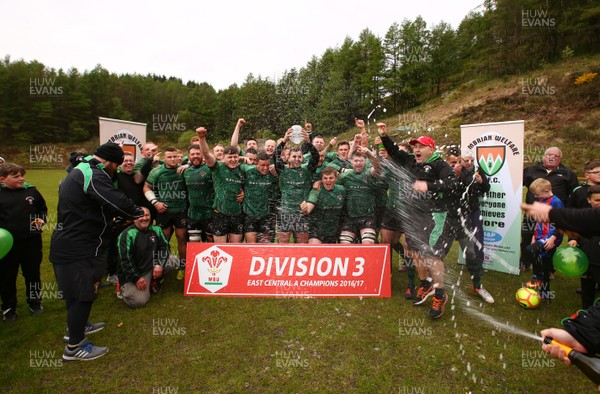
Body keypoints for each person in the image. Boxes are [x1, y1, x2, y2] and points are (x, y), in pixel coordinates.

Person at [50, 142, 144, 361]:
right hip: (80, 246)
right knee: (83, 294)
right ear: (110, 162)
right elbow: (115, 199)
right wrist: (136, 211)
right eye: (117, 166)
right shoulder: (93, 173)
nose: (117, 170)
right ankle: (74, 346)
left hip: (73, 242)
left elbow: (95, 205)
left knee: (78, 293)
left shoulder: (80, 168)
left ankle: (77, 326)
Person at [379, 123, 456, 319]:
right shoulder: (412, 162)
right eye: (414, 147)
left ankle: (440, 295)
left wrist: (428, 185)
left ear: (431, 148)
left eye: (420, 147)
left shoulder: (440, 165)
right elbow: (395, 152)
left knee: (431, 255)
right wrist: (385, 136)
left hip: (435, 216)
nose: (416, 150)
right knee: (413, 250)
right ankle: (425, 285)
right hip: (415, 216)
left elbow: (452, 184)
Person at [445, 149, 494, 303]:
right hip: (445, 219)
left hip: (464, 218)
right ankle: (432, 283)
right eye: (454, 162)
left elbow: (481, 187)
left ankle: (477, 285)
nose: (458, 165)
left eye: (460, 162)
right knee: (438, 252)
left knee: (471, 253)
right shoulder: (444, 172)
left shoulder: (472, 173)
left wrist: (480, 181)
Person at [0, 163, 47, 321]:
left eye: (22, 175)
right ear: (2, 179)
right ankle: (8, 308)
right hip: (8, 245)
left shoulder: (31, 191)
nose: (21, 178)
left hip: (32, 242)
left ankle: (35, 303)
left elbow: (42, 209)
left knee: (32, 274)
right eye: (16, 176)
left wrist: (42, 219)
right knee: (7, 276)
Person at [522, 147, 578, 271]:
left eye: (556, 156)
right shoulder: (531, 170)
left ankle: (548, 269)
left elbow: (575, 194)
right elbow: (517, 183)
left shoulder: (567, 173)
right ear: (544, 156)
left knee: (549, 244)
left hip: (553, 216)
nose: (551, 157)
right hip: (532, 214)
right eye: (549, 155)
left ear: (560, 159)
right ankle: (525, 263)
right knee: (528, 238)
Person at [117, 207, 177, 308]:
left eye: (147, 215)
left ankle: (153, 281)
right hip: (135, 273)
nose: (144, 218)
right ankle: (122, 287)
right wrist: (136, 278)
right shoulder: (126, 235)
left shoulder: (156, 230)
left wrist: (159, 264)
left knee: (174, 260)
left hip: (151, 266)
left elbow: (165, 247)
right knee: (138, 302)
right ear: (134, 218)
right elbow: (125, 260)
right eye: (140, 215)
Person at [144, 147, 188, 280]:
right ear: (164, 158)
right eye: (169, 157)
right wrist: (155, 202)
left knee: (182, 238)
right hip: (164, 211)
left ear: (178, 156)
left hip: (181, 209)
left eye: (175, 156)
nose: (173, 159)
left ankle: (183, 266)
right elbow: (146, 187)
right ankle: (160, 268)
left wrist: (187, 165)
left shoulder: (183, 170)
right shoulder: (156, 171)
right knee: (164, 240)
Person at [196, 127, 245, 243]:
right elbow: (206, 154)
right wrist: (201, 138)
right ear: (223, 157)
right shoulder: (217, 167)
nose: (233, 159)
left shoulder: (242, 169)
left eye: (235, 157)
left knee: (235, 250)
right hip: (220, 214)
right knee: (220, 249)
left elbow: (247, 185)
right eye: (230, 157)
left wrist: (244, 192)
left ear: (239, 157)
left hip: (237, 214)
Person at [275, 127, 318, 244]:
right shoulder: (282, 170)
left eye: (299, 157)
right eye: (294, 156)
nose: (297, 159)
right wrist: (284, 141)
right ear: (288, 158)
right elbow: (276, 156)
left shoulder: (307, 170)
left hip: (302, 213)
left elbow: (316, 158)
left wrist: (309, 143)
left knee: (302, 246)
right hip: (285, 212)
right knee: (283, 245)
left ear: (303, 158)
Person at [523, 179, 564, 301]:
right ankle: (545, 295)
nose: (535, 197)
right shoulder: (541, 201)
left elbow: (561, 222)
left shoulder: (556, 202)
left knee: (530, 250)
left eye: (537, 194)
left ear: (547, 190)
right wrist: (534, 236)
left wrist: (553, 238)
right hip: (540, 236)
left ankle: (537, 276)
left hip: (551, 237)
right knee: (544, 262)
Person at [336, 148, 382, 244]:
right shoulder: (344, 176)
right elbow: (334, 187)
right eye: (356, 161)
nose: (358, 163)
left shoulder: (370, 173)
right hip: (350, 218)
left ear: (365, 162)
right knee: (344, 245)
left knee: (367, 244)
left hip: (368, 217)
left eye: (361, 161)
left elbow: (377, 167)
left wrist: (369, 154)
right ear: (351, 162)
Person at [567, 185, 600, 308]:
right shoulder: (584, 217)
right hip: (586, 260)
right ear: (589, 200)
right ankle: (586, 311)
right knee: (587, 288)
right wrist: (572, 239)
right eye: (597, 200)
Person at [301, 166, 346, 244]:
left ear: (336, 178)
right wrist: (305, 209)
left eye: (331, 178)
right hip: (317, 230)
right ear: (321, 179)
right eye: (325, 178)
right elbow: (308, 208)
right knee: (315, 249)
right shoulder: (316, 191)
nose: (328, 181)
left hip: (333, 231)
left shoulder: (342, 190)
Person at [242, 152, 278, 243]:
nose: (265, 168)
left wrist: (276, 170)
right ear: (256, 163)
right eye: (262, 165)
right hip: (250, 215)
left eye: (267, 165)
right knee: (251, 247)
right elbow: (226, 162)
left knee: (264, 248)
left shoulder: (272, 174)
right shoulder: (248, 171)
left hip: (266, 216)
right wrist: (242, 158)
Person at [183, 144, 214, 243]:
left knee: (211, 242)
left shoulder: (211, 169)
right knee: (194, 244)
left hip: (210, 214)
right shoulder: (185, 171)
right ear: (189, 157)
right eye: (192, 154)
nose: (195, 156)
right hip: (193, 214)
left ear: (203, 155)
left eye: (198, 153)